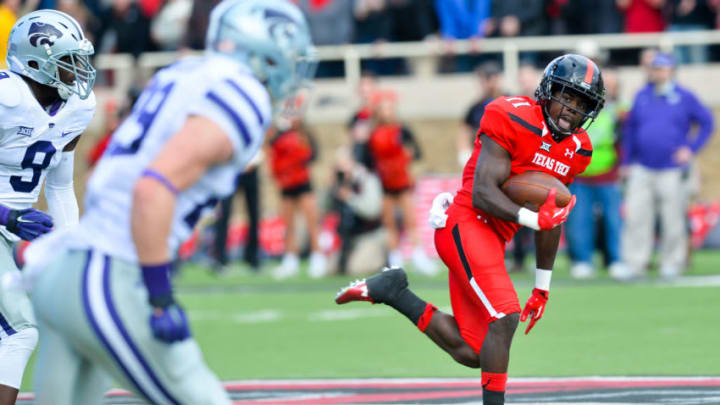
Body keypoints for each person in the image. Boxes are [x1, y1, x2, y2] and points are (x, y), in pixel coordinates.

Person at [25, 1, 315, 404]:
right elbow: (153, 188)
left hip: (65, 267)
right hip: (109, 273)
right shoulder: (242, 91)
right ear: (260, 50)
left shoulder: (184, 71)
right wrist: (159, 296)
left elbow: (109, 178)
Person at [337, 54, 605, 405]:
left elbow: (549, 213)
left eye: (581, 103)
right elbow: (482, 194)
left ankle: (394, 292)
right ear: (548, 91)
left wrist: (542, 287)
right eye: (567, 97)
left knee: (475, 350)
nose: (571, 109)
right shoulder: (510, 114)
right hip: (466, 223)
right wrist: (532, 219)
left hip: (496, 239)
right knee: (505, 314)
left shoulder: (578, 148)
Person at [0, 10, 96, 405]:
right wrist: (7, 215)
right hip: (6, 223)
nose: (79, 70)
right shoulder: (7, 99)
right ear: (37, 62)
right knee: (21, 329)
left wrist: (71, 247)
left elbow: (59, 187)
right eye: (69, 60)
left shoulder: (77, 107)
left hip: (11, 230)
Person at [621, 52, 713, 279]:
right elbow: (631, 131)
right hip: (642, 166)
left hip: (671, 167)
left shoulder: (684, 96)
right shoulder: (642, 95)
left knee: (672, 218)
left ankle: (671, 262)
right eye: (655, 68)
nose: (658, 72)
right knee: (637, 217)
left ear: (672, 70)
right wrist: (626, 162)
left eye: (662, 68)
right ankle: (635, 263)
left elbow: (707, 123)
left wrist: (690, 149)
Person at [566, 68, 627, 279]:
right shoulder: (582, 107)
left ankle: (616, 260)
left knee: (613, 220)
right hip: (580, 174)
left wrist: (621, 166)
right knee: (579, 220)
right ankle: (583, 261)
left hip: (608, 174)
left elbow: (624, 141)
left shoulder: (619, 111)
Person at [367, 90, 436, 275]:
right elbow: (368, 159)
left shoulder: (402, 130)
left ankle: (419, 256)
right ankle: (395, 259)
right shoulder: (373, 133)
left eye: (390, 108)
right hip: (385, 184)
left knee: (410, 221)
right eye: (384, 108)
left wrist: (408, 161)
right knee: (389, 224)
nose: (387, 112)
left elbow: (417, 152)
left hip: (403, 182)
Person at [269, 116, 327, 279]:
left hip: (302, 183)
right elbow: (271, 146)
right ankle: (290, 259)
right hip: (287, 184)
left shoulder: (304, 134)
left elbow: (313, 155)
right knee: (289, 224)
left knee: (312, 221)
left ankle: (317, 257)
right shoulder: (279, 134)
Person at [328, 147, 384, 276]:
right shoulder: (340, 183)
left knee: (356, 269)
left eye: (345, 164)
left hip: (369, 236)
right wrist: (332, 188)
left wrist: (350, 198)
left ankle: (381, 258)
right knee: (332, 269)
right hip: (348, 239)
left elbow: (373, 210)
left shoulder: (367, 180)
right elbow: (326, 210)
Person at [457, 61, 504, 167]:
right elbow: (464, 131)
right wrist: (464, 153)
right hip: (483, 158)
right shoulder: (476, 108)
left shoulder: (510, 101)